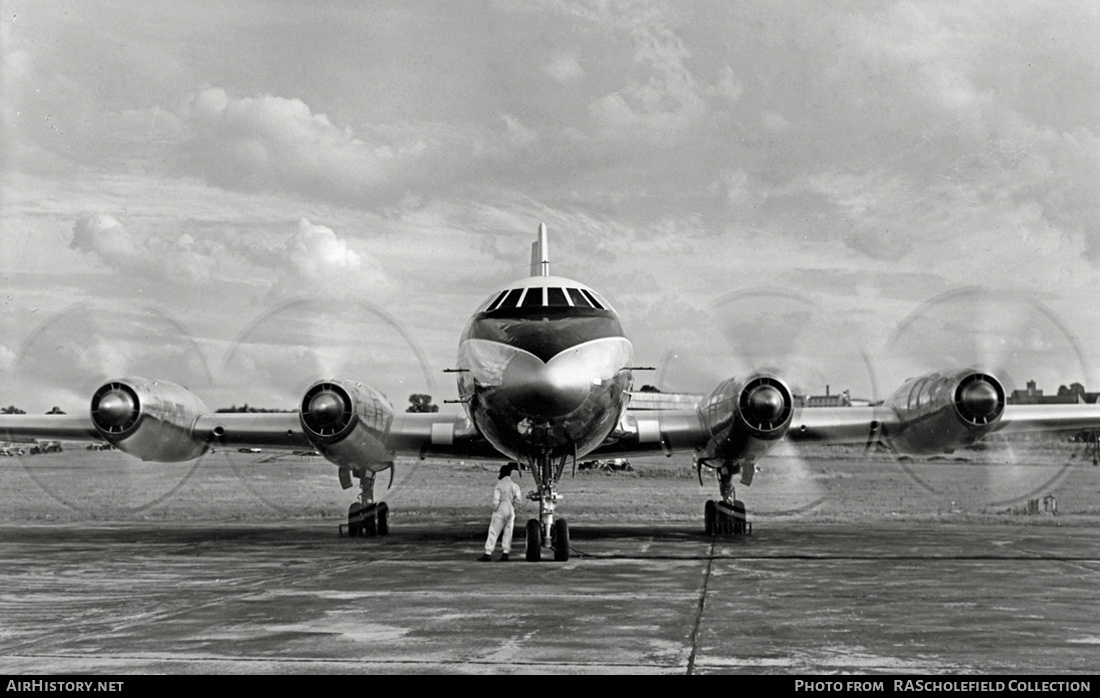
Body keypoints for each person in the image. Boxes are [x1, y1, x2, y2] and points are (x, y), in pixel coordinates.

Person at [480, 463, 523, 561]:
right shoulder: (514, 485)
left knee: (494, 530)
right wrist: (513, 508)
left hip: (501, 507)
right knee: (508, 531)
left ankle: (488, 552)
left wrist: (495, 509)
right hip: (510, 508)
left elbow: (496, 499)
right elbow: (518, 500)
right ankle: (505, 553)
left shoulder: (499, 485)